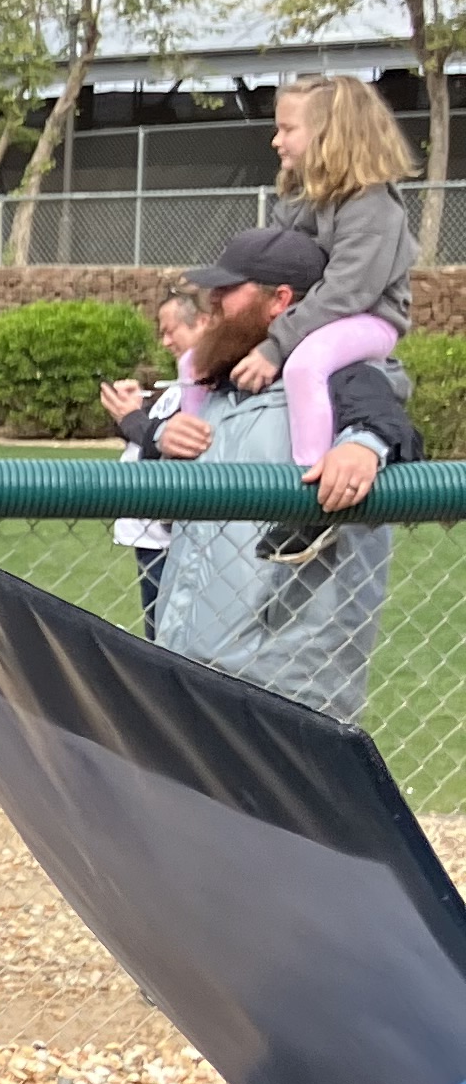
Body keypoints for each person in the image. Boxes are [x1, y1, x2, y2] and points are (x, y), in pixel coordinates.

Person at [151, 223, 418, 726]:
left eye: (229, 289)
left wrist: (363, 447)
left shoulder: (340, 378)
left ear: (280, 300)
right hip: (189, 661)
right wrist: (166, 445)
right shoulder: (221, 388)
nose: (213, 301)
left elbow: (388, 425)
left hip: (283, 689)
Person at [236, 75, 418, 476]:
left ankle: (308, 476)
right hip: (319, 319)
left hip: (369, 319)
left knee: (305, 364)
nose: (276, 140)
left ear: (329, 134)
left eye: (288, 129)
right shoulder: (299, 199)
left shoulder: (372, 203)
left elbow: (346, 292)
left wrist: (275, 345)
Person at [100, 286, 205, 638]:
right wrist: (135, 412)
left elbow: (172, 444)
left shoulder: (201, 388)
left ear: (200, 324)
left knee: (169, 638)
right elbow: (152, 436)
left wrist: (132, 418)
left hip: (170, 541)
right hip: (151, 536)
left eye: (170, 330)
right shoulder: (179, 385)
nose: (165, 341)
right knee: (158, 634)